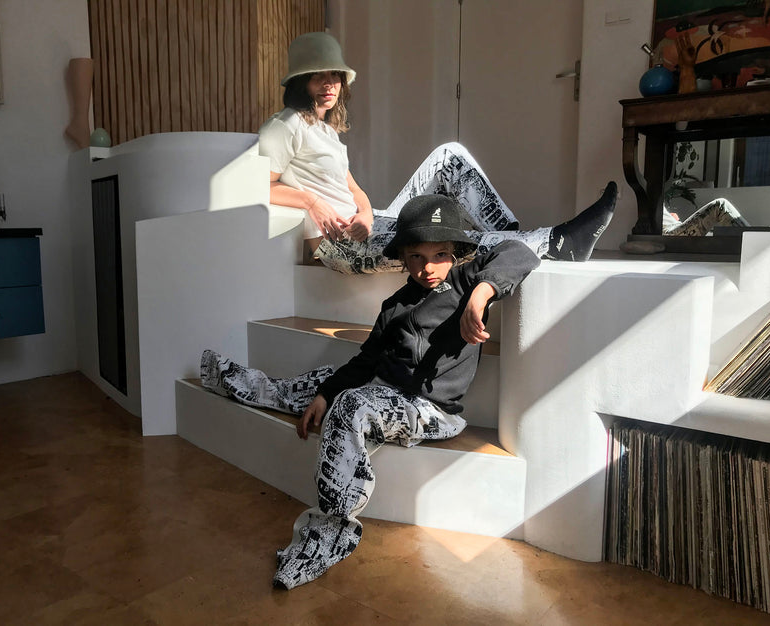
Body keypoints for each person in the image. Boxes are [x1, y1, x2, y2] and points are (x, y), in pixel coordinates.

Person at [201, 194, 541, 588]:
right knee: (319, 385)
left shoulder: (467, 282)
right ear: (404, 258)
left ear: (455, 253)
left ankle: (330, 533)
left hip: (431, 410)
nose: (428, 267)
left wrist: (481, 295)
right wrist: (325, 394)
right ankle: (230, 378)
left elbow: (519, 253)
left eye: (440, 255)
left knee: (351, 405)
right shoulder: (394, 306)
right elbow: (365, 361)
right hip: (383, 391)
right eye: (416, 257)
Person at [260, 32, 617, 274]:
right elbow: (257, 185)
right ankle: (554, 242)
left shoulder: (324, 130)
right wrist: (311, 203)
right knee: (438, 237)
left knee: (450, 156)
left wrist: (366, 214)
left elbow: (352, 188)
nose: (329, 84)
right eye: (317, 76)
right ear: (300, 82)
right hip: (338, 246)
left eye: (334, 75)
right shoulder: (285, 124)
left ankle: (509, 237)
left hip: (368, 226)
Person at [662, 197, 749, 236]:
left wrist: (668, 216)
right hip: (669, 233)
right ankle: (752, 239)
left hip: (674, 226)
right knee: (720, 205)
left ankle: (751, 239)